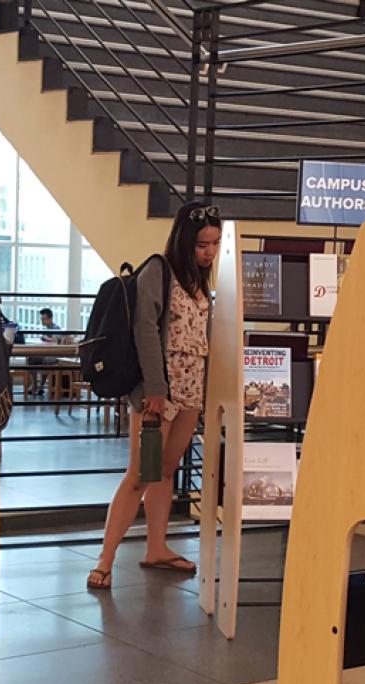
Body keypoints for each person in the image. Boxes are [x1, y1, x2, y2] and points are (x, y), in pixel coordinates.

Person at [87, 201, 221, 590]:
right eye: (201, 244)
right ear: (184, 240)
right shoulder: (158, 271)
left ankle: (157, 547)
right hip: (157, 392)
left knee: (165, 470)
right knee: (139, 475)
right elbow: (145, 331)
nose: (209, 251)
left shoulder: (200, 282)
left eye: (214, 243)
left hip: (191, 388)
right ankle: (105, 559)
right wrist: (156, 391)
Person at [28, 307, 60, 396]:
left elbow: (56, 341)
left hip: (53, 354)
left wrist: (46, 338)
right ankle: (34, 384)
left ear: (50, 318)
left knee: (46, 360)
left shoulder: (56, 328)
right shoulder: (45, 329)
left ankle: (41, 386)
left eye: (44, 319)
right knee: (31, 359)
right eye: (41, 319)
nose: (42, 321)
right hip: (45, 352)